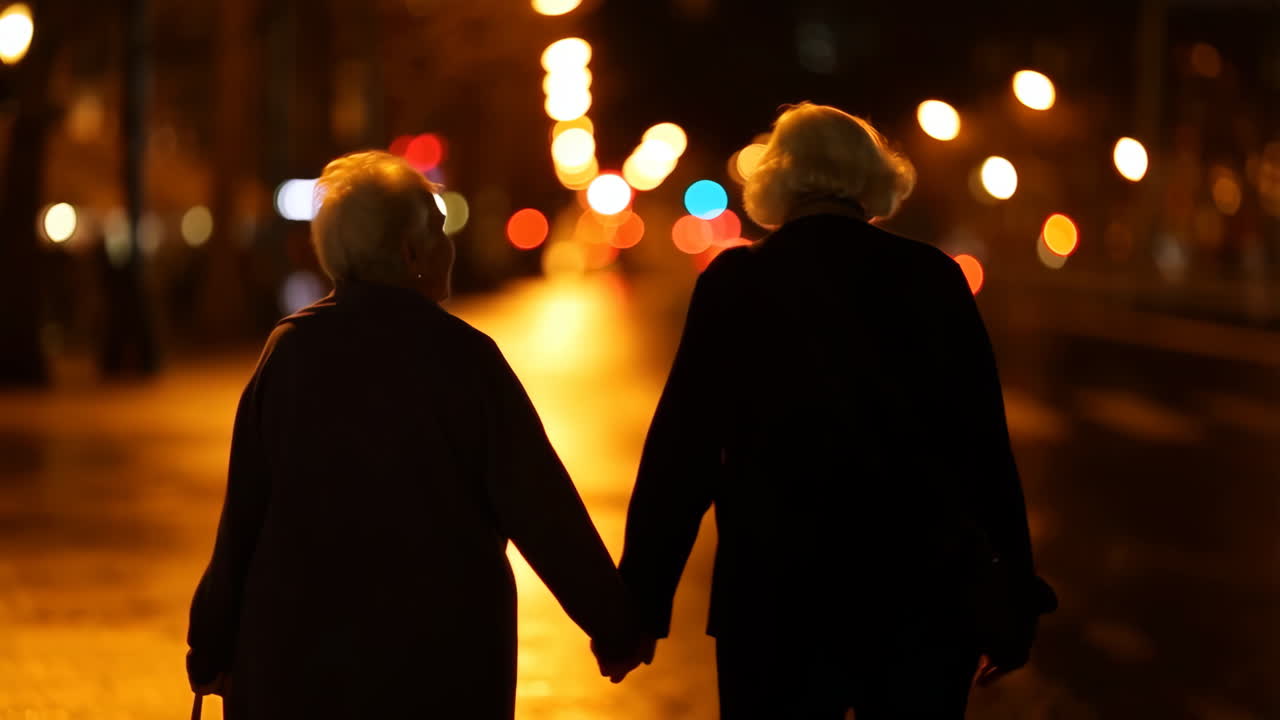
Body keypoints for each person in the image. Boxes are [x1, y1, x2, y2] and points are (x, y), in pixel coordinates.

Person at [617, 103, 1057, 718]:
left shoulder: (737, 282)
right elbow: (982, 450)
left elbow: (682, 455)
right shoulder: (931, 278)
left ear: (775, 182)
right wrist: (1012, 600)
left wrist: (637, 606)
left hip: (774, 599)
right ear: (875, 181)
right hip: (919, 597)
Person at [186, 151, 647, 718]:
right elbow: (542, 508)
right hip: (439, 665)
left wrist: (210, 643)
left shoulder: (289, 352)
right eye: (439, 231)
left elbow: (243, 517)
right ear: (411, 253)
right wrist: (615, 623)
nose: (449, 246)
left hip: (297, 665)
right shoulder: (465, 359)